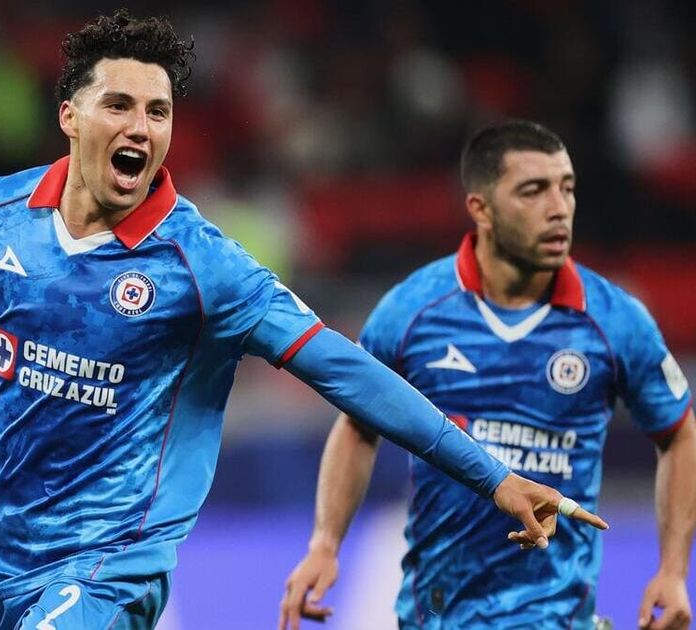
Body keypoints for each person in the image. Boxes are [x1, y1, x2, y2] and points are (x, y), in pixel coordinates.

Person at [0, 14, 604, 630]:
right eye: (121, 105)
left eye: (160, 111)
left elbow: (345, 372)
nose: (142, 126)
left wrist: (489, 475)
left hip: (107, 563)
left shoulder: (204, 266)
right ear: (70, 115)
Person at [279, 120, 695, 630]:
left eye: (566, 188)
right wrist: (325, 544)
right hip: (435, 611)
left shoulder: (616, 320)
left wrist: (673, 570)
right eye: (533, 190)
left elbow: (679, 433)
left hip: (555, 614)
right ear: (481, 208)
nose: (559, 207)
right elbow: (356, 427)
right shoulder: (412, 310)